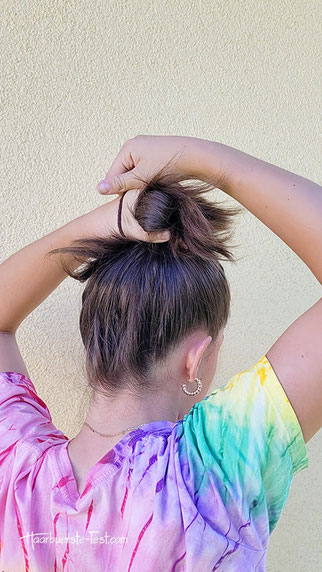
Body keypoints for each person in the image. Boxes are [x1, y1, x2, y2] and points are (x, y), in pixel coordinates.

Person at [0, 135, 321, 571]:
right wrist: (202, 162)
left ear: (95, 340)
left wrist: (96, 225)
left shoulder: (18, 474)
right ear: (196, 358)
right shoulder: (211, 470)